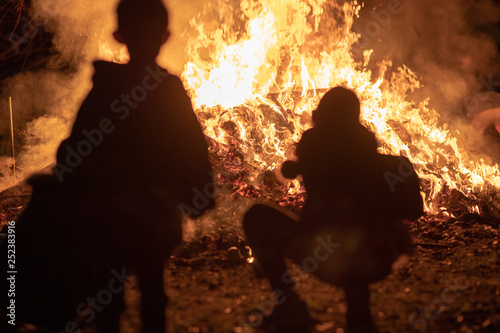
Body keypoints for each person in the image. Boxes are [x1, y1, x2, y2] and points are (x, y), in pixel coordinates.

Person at [15, 0, 214, 332]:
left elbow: (76, 147)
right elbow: (191, 146)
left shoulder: (106, 89)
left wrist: (74, 183)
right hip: (153, 214)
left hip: (110, 217)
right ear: (165, 36)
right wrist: (200, 192)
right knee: (153, 292)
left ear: (119, 35)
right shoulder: (168, 90)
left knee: (108, 294)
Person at [243, 87, 422, 333]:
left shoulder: (315, 147)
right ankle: (359, 313)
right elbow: (414, 210)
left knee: (258, 216)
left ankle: (289, 304)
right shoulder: (394, 166)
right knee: (354, 230)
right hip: (379, 259)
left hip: (323, 256)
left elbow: (301, 170)